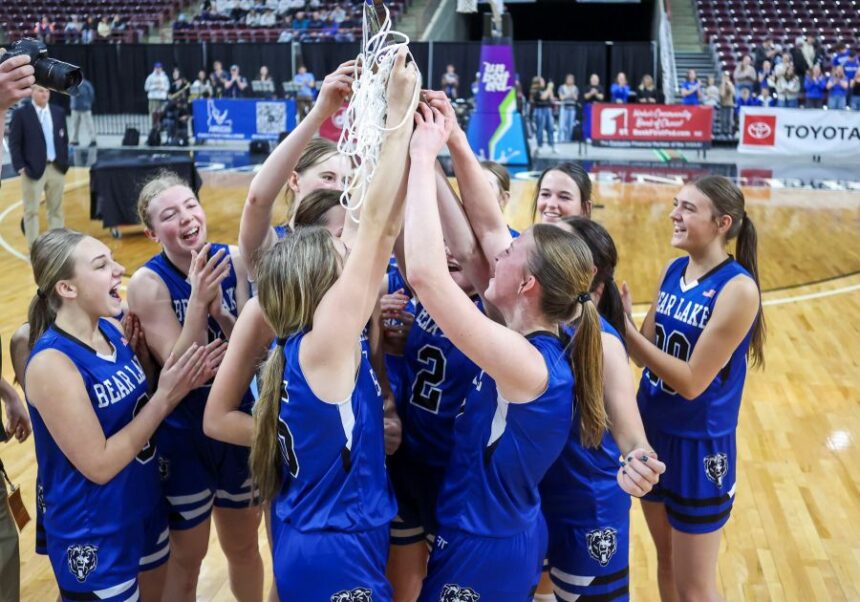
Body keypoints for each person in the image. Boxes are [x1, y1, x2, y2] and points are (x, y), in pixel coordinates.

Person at [408, 92, 652, 601]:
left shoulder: (550, 352)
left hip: (563, 511)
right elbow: (482, 232)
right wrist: (444, 135)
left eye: (516, 250)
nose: (503, 248)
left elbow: (430, 275)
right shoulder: (522, 323)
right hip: (515, 512)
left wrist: (420, 159)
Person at [248, 47, 417, 600]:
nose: (354, 262)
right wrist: (395, 115)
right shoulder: (323, 344)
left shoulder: (305, 345)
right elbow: (381, 227)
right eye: (341, 260)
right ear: (322, 283)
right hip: (334, 546)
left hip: (324, 532)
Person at [24, 228, 220, 602]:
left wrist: (149, 369)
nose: (119, 269)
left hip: (141, 505)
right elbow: (98, 463)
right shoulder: (52, 363)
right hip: (94, 531)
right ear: (67, 289)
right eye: (102, 266)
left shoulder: (113, 330)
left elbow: (127, 409)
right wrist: (165, 395)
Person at [621, 175, 764, 602]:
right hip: (652, 432)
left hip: (700, 446)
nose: (673, 214)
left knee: (696, 587)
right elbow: (644, 351)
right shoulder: (673, 269)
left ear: (722, 223)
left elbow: (690, 382)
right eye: (675, 204)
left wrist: (625, 330)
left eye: (687, 208)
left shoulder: (738, 289)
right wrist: (629, 324)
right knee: (666, 564)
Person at [127, 173, 262, 602]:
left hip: (237, 423)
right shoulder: (146, 284)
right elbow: (182, 371)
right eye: (169, 215)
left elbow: (254, 351)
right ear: (152, 233)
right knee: (187, 558)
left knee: (243, 548)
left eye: (189, 205)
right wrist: (201, 304)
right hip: (183, 436)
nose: (185, 218)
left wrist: (223, 320)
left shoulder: (234, 260)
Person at [238, 61, 356, 277]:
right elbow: (257, 199)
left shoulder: (353, 242)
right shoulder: (272, 246)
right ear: (294, 181)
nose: (338, 189)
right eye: (328, 177)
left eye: (346, 181)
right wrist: (319, 113)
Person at [8, 85, 70, 248]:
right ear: (32, 93)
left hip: (56, 167)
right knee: (31, 212)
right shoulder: (21, 114)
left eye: (48, 91)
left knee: (56, 210)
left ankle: (57, 247)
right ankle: (34, 249)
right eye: (41, 91)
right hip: (32, 170)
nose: (45, 94)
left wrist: (64, 160)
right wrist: (20, 166)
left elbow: (63, 140)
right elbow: (14, 143)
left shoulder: (58, 112)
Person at [530, 76, 556, 154]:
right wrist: (549, 88)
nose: (544, 82)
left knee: (550, 128)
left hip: (548, 109)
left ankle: (552, 146)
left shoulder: (546, 90)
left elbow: (551, 98)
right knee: (540, 129)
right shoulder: (534, 90)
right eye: (542, 81)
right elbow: (543, 97)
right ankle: (539, 146)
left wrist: (550, 90)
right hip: (539, 110)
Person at [69, 76, 96, 147]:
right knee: (74, 125)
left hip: (85, 108)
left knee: (89, 124)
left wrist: (88, 104)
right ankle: (74, 140)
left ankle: (93, 140)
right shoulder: (72, 84)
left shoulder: (86, 85)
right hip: (75, 108)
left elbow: (91, 94)